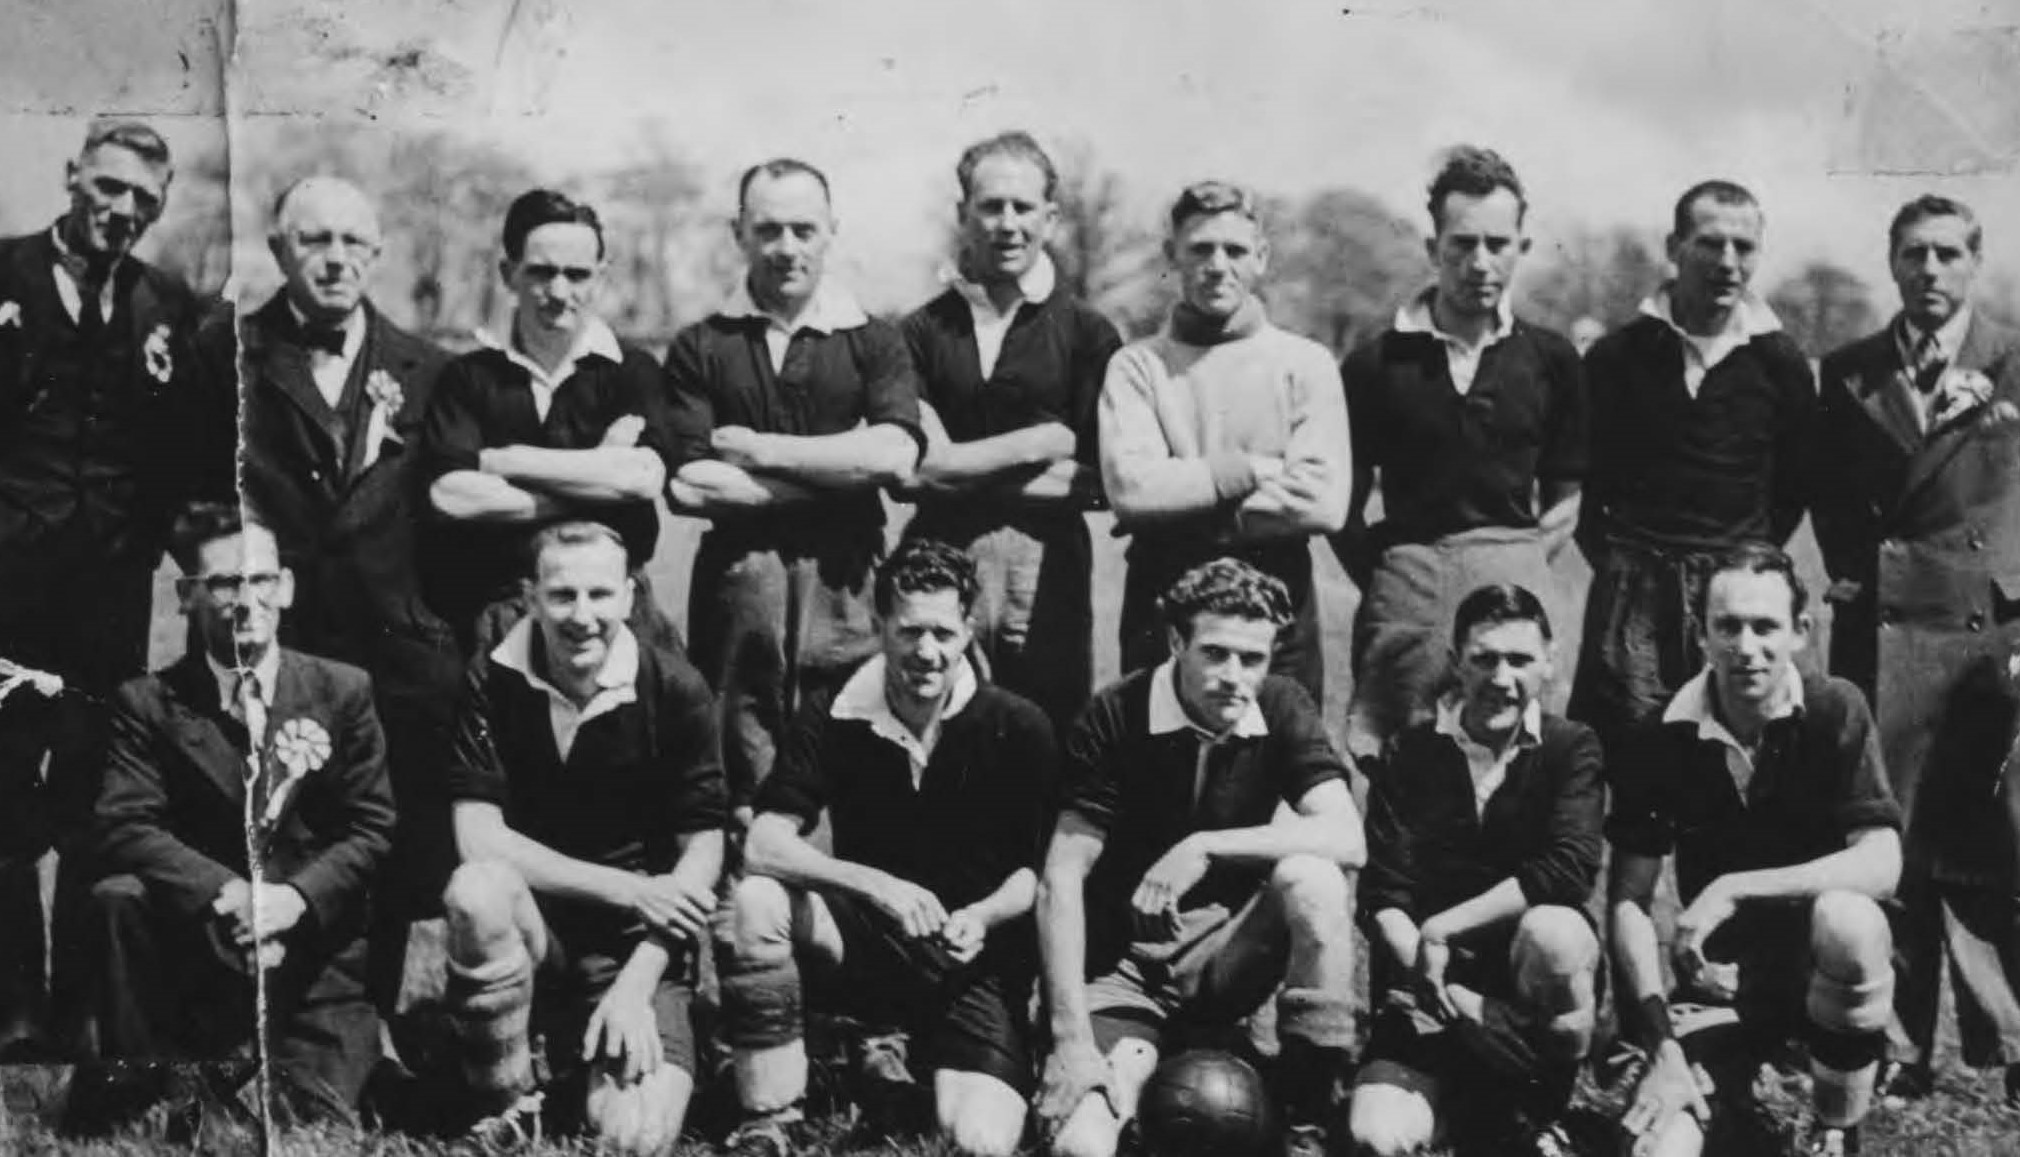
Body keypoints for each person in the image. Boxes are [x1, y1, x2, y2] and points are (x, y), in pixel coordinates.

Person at [716, 539, 1055, 1157]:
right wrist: (877, 885)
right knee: (760, 900)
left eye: (944, 634)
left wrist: (982, 916)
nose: (927, 653)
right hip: (867, 940)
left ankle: (897, 1053)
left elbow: (1037, 874)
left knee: (979, 1140)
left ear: (969, 628)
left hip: (970, 959)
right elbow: (764, 845)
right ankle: (770, 1115)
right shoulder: (833, 710)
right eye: (909, 632)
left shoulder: (1018, 724)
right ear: (878, 627)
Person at [0, 118, 219, 1055]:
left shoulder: (168, 301)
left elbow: (178, 450)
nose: (122, 209)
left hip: (110, 594)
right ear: (71, 179)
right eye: (108, 187)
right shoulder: (2, 274)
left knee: (95, 795)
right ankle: (13, 1007)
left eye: (143, 197)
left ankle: (87, 1005)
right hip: (7, 582)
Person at [228, 175, 461, 1021]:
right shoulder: (235, 358)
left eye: (352, 242)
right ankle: (280, 1017)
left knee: (386, 838)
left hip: (395, 656)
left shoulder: (428, 370)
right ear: (279, 250)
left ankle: (379, 1016)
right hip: (281, 640)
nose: (335, 260)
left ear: (378, 253)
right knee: (285, 821)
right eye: (314, 240)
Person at [1034, 558, 1362, 1157]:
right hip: (1123, 967)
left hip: (1224, 957)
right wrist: (1070, 1039)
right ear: (1176, 641)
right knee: (1081, 1146)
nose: (1234, 677)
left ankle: (1307, 1113)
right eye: (1214, 653)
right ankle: (1140, 1068)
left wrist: (1206, 846)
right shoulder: (1117, 714)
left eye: (1253, 658)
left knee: (1313, 879)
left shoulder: (1282, 705)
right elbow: (1061, 876)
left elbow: (1348, 837)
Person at [87, 502, 395, 1125]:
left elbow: (372, 827)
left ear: (285, 588)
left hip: (307, 956)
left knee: (319, 1118)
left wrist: (294, 901)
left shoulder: (342, 691)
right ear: (187, 596)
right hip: (200, 949)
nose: (246, 600)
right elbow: (126, 823)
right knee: (117, 895)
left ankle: (351, 1043)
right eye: (225, 583)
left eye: (260, 580)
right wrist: (228, 893)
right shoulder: (147, 704)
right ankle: (145, 1076)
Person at [1810, 194, 2020, 1104]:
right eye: (1913, 256)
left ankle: (2009, 1037)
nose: (1930, 271)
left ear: (1974, 263)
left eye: (1946, 255)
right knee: (1888, 837)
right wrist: (1854, 573)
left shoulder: (2014, 358)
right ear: (1892, 265)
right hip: (1885, 629)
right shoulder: (1849, 370)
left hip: (1988, 635)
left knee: (1985, 837)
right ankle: (1897, 1042)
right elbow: (1826, 490)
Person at [440, 520, 726, 1154]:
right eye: (563, 595)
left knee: (634, 1137)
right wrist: (628, 888)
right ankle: (513, 1100)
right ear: (531, 597)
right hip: (539, 931)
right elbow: (476, 836)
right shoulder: (492, 678)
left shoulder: (677, 688)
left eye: (600, 595)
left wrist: (636, 984)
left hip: (633, 947)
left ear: (629, 596)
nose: (582, 616)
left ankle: (594, 1058)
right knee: (476, 891)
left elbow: (703, 852)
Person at [1607, 544, 1899, 1157]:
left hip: (1818, 972)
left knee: (1851, 921)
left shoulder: (1833, 708)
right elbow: (1630, 900)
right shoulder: (1662, 735)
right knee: (1658, 1153)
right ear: (1700, 634)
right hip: (1719, 983)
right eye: (1727, 626)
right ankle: (1725, 1088)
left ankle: (1835, 1123)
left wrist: (1734, 887)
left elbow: (1881, 860)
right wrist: (1660, 1043)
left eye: (1765, 626)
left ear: (1799, 632)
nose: (1746, 646)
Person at [663, 158, 924, 815]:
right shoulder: (703, 342)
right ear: (739, 233)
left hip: (848, 575)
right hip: (739, 577)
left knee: (846, 724)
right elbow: (693, 484)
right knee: (738, 733)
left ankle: (842, 896)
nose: (787, 248)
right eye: (769, 229)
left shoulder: (873, 338)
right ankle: (739, 891)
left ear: (832, 231)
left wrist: (761, 451)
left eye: (804, 230)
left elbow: (894, 454)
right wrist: (839, 471)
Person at [1335, 146, 1586, 762]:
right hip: (1408, 590)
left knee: (1513, 759)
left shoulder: (1552, 360)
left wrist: (1516, 563)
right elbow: (1343, 502)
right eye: (1462, 243)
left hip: (1513, 580)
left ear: (1522, 248)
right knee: (1396, 758)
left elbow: (1567, 498)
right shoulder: (1376, 362)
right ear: (1433, 248)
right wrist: (1393, 573)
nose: (1480, 263)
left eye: (1497, 244)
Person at [1349, 583, 1603, 1157]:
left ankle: (1543, 1109)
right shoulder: (1408, 752)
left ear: (1549, 662)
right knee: (1376, 1138)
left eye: (1520, 660)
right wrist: (1435, 979)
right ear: (1454, 663)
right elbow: (1383, 892)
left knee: (1557, 933)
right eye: (1484, 659)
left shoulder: (1570, 748)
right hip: (1426, 988)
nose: (1501, 677)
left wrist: (1445, 928)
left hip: (1522, 988)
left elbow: (1568, 870)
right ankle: (1459, 1108)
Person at [1571, 180, 1815, 759]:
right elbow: (1590, 486)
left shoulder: (1782, 364)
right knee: (1633, 778)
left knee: (1736, 769)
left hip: (1736, 594)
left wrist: (1733, 561)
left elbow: (1792, 491)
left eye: (1744, 247)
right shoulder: (1616, 357)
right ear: (1674, 246)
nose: (1728, 262)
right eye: (1710, 243)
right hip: (1635, 591)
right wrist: (1628, 570)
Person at [900, 131, 1122, 731]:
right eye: (990, 206)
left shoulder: (1087, 333)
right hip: (938, 561)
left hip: (1048, 565)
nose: (1007, 223)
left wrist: (958, 468)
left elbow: (1096, 483)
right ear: (962, 214)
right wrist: (1039, 443)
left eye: (1022, 207)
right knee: (938, 728)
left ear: (1050, 218)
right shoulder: (918, 332)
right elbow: (912, 469)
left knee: (1043, 733)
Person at [1099, 181, 1350, 702]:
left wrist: (1185, 505)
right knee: (1156, 764)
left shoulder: (1306, 364)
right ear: (1173, 257)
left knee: (1277, 764)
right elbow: (1134, 489)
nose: (1217, 265)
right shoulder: (1137, 366)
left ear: (1260, 258)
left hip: (1278, 593)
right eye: (1200, 249)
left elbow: (1323, 502)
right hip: (1164, 595)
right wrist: (1254, 470)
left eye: (1234, 250)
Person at [420, 188, 680, 656]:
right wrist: (596, 483)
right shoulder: (466, 377)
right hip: (496, 606)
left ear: (600, 278)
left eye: (577, 275)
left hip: (612, 609)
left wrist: (506, 461)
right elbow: (451, 496)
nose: (559, 292)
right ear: (509, 273)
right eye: (541, 272)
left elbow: (642, 479)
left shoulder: (632, 370)